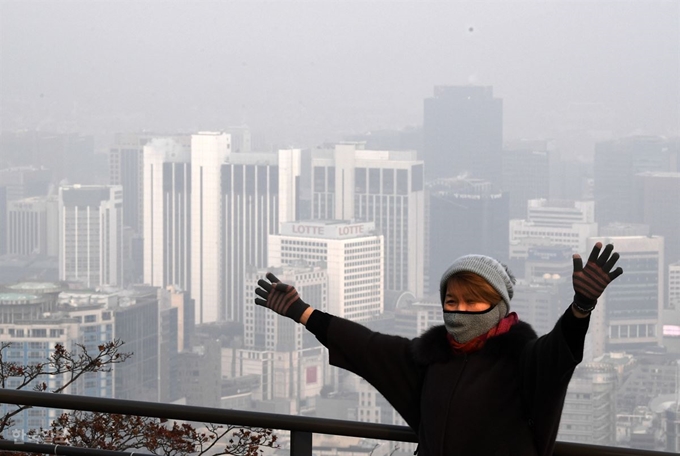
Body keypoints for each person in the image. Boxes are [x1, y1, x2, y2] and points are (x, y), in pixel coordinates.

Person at [254, 242, 623, 456]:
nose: (460, 310)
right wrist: (302, 312)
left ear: (500, 306)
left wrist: (581, 307)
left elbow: (561, 350)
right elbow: (365, 346)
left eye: (474, 301)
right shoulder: (429, 359)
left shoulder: (524, 360)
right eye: (452, 300)